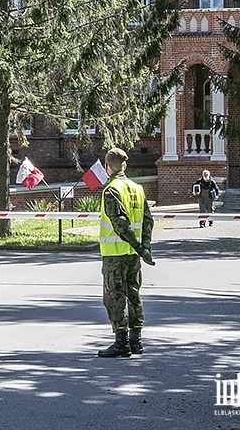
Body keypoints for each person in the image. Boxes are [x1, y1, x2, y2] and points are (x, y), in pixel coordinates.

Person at [97, 147, 155, 358]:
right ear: (125, 166)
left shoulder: (111, 190)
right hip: (133, 256)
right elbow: (148, 220)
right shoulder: (137, 189)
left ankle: (121, 343)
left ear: (107, 167)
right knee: (133, 295)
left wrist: (140, 248)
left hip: (115, 254)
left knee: (115, 297)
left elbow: (120, 224)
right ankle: (136, 341)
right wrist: (144, 247)